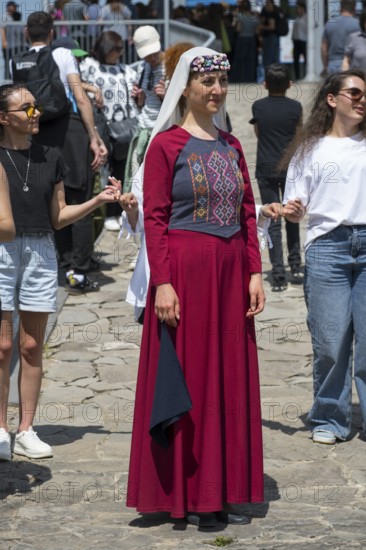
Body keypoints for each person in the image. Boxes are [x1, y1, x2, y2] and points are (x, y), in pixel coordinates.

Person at [125, 47, 265, 527]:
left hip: (229, 277)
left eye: (223, 82)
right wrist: (161, 283)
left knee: (228, 379)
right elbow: (155, 219)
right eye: (208, 82)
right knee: (189, 377)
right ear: (186, 86)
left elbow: (247, 214)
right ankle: (184, 494)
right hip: (185, 275)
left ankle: (222, 490)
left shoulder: (231, 145)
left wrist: (254, 271)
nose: (217, 91)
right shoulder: (166, 146)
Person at [0, 83, 120, 461]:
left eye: (36, 108)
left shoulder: (50, 156)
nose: (36, 115)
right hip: (1, 252)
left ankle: (26, 429)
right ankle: (0, 429)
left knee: (32, 345)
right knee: (2, 347)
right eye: (26, 109)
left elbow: (58, 216)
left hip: (39, 251)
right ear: (4, 118)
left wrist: (97, 200)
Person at [282, 69, 366, 445]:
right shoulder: (309, 149)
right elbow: (296, 204)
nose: (361, 99)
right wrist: (294, 211)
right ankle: (331, 418)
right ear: (332, 99)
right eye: (354, 93)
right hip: (328, 249)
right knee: (331, 342)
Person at [80, 31, 140, 231]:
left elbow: (139, 99)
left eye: (121, 48)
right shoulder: (90, 65)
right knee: (105, 170)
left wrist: (139, 95)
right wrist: (93, 90)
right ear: (105, 48)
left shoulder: (127, 70)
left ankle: (118, 211)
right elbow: (75, 83)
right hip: (101, 125)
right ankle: (107, 213)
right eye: (116, 49)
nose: (119, 53)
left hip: (125, 126)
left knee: (122, 170)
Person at [250, 64, 303, 291]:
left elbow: (258, 133)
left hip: (266, 168)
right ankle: (296, 265)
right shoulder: (296, 107)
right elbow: (300, 134)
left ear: (265, 84)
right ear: (290, 84)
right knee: (292, 216)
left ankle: (278, 274)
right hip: (290, 169)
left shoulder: (258, 107)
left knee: (273, 220)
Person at [123, 25, 166, 192]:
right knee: (136, 178)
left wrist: (165, 95)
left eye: (153, 53)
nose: (151, 57)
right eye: (147, 54)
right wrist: (139, 97)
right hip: (143, 128)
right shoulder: (142, 67)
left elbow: (182, 103)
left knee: (158, 178)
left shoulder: (171, 65)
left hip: (163, 129)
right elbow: (142, 104)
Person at [321, 0, 359, 75]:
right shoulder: (358, 24)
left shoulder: (330, 24)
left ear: (340, 8)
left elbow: (324, 49)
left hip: (333, 64)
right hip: (352, 64)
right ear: (354, 9)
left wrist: (325, 66)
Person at [231, 0, 259, 83]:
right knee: (250, 60)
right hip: (251, 39)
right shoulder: (254, 18)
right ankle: (250, 79)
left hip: (241, 39)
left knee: (240, 60)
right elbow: (257, 30)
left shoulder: (239, 16)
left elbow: (238, 29)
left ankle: (239, 78)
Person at [260, 0, 280, 69]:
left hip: (270, 37)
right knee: (275, 58)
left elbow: (271, 27)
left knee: (268, 59)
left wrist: (261, 27)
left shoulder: (271, 11)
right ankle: (277, 75)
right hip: (275, 37)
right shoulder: (276, 9)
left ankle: (270, 75)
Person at [292, 1, 307, 80]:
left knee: (306, 60)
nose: (297, 10)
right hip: (296, 41)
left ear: (302, 9)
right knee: (295, 60)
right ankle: (297, 77)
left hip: (304, 41)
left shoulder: (306, 17)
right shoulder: (297, 18)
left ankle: (305, 75)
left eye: (298, 8)